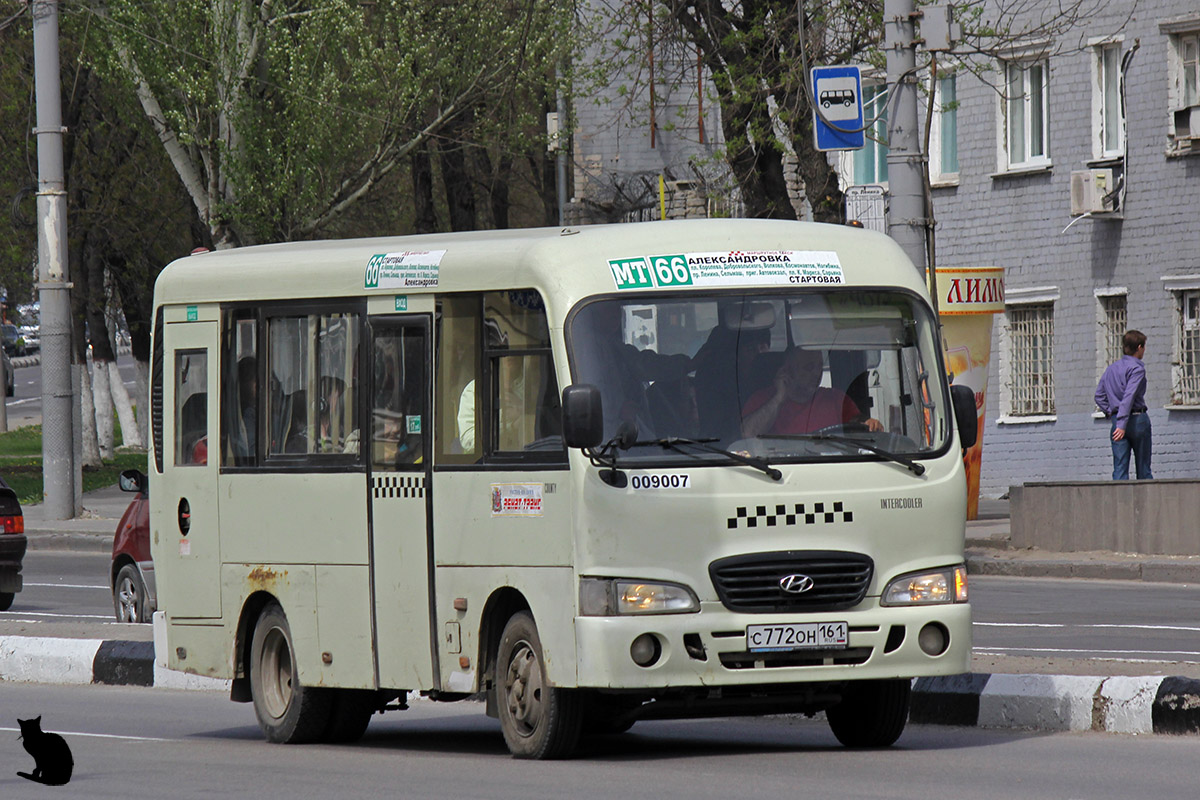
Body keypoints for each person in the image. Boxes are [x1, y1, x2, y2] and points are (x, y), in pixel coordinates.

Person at [741, 347, 883, 437]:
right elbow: (748, 434)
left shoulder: (835, 399)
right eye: (809, 367)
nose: (817, 373)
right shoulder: (762, 399)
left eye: (819, 366)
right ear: (788, 371)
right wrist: (778, 399)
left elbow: (858, 424)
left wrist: (869, 424)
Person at [1094, 329, 1152, 480]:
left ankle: (1120, 503)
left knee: (1119, 470)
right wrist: (1122, 423)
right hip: (1137, 420)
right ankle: (1145, 503)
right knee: (1143, 469)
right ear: (1139, 347)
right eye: (1144, 347)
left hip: (1117, 422)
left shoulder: (1111, 369)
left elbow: (1099, 396)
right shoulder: (1137, 369)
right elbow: (1129, 396)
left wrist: (1112, 414)